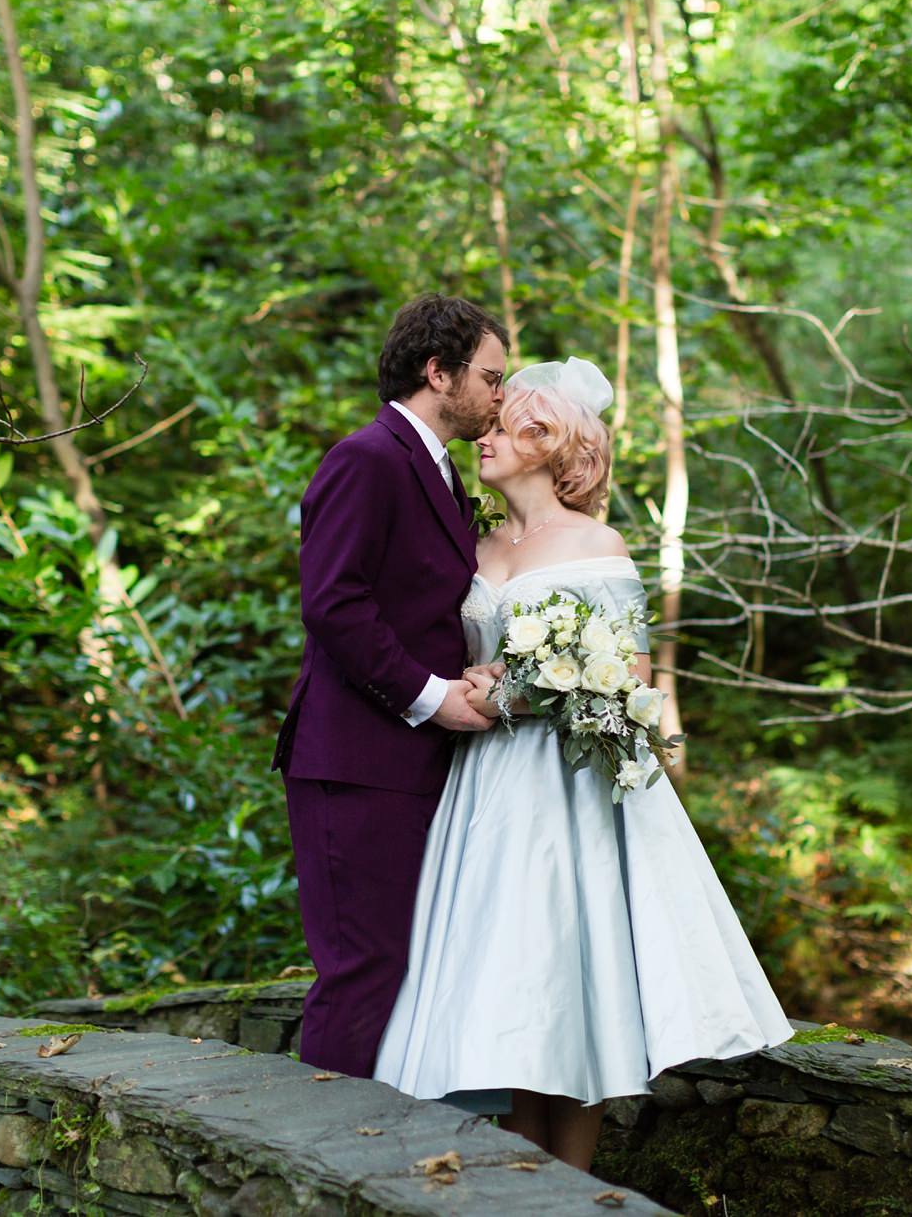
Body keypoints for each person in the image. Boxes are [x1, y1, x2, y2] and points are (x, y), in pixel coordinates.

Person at [372, 357, 793, 1171]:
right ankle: (519, 1184)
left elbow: (628, 676)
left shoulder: (596, 543)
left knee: (574, 979)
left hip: (569, 786)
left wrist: (519, 690)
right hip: (488, 792)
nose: (483, 437)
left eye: (499, 427)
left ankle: (575, 1185)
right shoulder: (479, 544)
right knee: (511, 985)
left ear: (547, 439)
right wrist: (479, 680)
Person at [273, 294, 509, 1079]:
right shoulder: (366, 458)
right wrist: (434, 695)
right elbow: (333, 601)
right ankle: (322, 1170)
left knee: (403, 969)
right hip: (356, 762)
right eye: (490, 376)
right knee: (364, 972)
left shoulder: (438, 474)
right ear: (437, 372)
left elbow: (424, 608)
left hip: (407, 766)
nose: (499, 395)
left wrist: (474, 672)